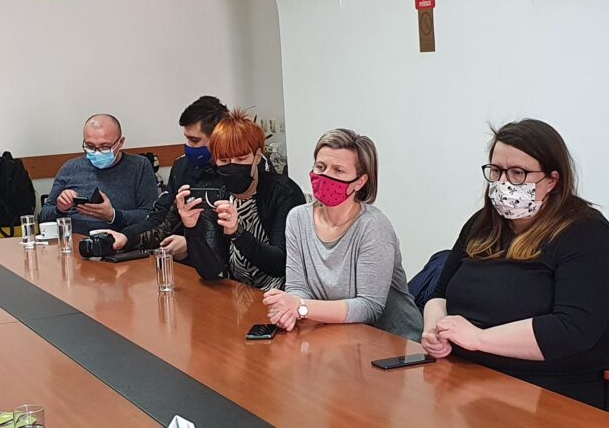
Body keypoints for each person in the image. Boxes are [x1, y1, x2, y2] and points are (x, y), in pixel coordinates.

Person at [421, 119, 609, 416]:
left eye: (518, 173)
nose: (504, 182)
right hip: (468, 378)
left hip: (557, 394)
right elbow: (440, 294)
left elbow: (572, 330)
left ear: (552, 180)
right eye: (496, 171)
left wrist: (478, 339)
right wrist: (434, 329)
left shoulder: (587, 234)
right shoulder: (482, 224)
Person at [262, 129, 423, 341]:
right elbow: (298, 287)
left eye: (338, 170)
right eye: (320, 167)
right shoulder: (297, 218)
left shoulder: (373, 226)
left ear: (359, 182)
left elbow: (369, 307)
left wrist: (301, 308)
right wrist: (289, 310)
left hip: (392, 342)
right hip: (333, 334)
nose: (325, 175)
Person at [175, 108, 305, 289]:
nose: (233, 166)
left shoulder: (283, 192)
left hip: (282, 294)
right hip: (237, 293)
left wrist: (237, 232)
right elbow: (211, 271)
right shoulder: (217, 195)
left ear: (257, 156)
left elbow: (279, 264)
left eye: (241, 159)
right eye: (224, 161)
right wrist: (192, 230)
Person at [103, 96, 230, 259]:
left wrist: (193, 244)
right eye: (187, 138)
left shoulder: (239, 170)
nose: (188, 146)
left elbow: (244, 234)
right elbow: (160, 219)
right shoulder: (182, 167)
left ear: (219, 138)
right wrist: (127, 237)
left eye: (194, 140)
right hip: (185, 264)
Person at [39, 114, 158, 235]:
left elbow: (152, 216)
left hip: (121, 240)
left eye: (105, 147)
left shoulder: (139, 166)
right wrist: (60, 209)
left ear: (120, 142)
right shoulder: (70, 168)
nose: (97, 152)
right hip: (75, 240)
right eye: (90, 146)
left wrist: (113, 215)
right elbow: (43, 216)